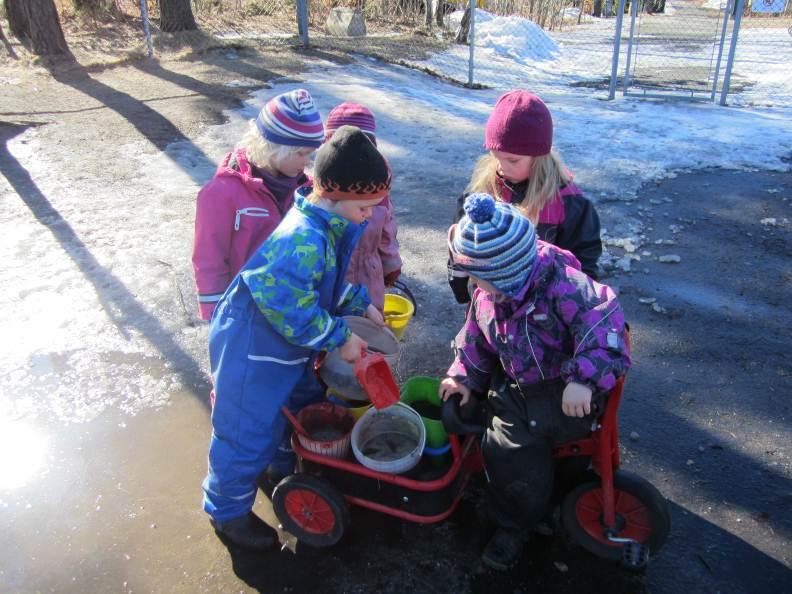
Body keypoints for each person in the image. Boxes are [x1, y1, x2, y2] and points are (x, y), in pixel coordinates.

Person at [202, 125, 392, 550]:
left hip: (282, 349)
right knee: (244, 433)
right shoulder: (302, 239)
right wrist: (340, 335)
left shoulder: (325, 225)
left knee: (291, 406)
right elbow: (294, 308)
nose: (369, 216)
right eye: (365, 207)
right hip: (251, 349)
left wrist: (359, 303)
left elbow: (320, 286)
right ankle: (227, 512)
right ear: (334, 193)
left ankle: (281, 467)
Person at [439, 193, 630, 571]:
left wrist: (584, 379)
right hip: (522, 379)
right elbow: (476, 337)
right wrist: (462, 375)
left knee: (508, 442)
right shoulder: (491, 294)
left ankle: (515, 522)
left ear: (507, 271)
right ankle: (524, 482)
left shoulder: (563, 287)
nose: (474, 285)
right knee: (483, 406)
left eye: (479, 277)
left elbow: (604, 326)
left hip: (567, 389)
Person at [448, 90, 602, 304]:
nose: (501, 167)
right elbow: (461, 240)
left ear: (538, 156)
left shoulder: (567, 203)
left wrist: (579, 311)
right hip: (487, 302)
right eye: (496, 157)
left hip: (542, 314)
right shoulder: (484, 189)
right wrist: (460, 285)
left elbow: (582, 264)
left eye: (512, 160)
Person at [192, 88, 324, 321]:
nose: (307, 162)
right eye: (301, 153)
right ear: (274, 148)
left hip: (289, 306)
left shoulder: (305, 190)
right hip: (243, 309)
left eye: (310, 154)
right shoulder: (221, 194)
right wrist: (219, 316)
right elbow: (209, 258)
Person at [322, 102, 401, 312]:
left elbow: (387, 229)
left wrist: (391, 264)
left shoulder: (378, 182)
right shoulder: (326, 189)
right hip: (335, 285)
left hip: (369, 277)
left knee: (371, 331)